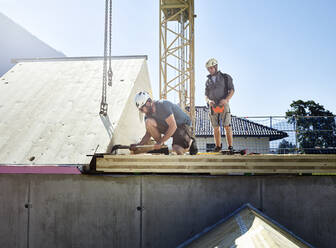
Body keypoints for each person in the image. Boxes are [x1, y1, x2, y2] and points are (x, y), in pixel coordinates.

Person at [132, 91, 198, 155]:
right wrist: (139, 145)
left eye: (142, 109)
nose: (142, 112)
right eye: (140, 110)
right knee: (148, 122)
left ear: (148, 103)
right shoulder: (147, 115)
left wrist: (161, 141)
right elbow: (148, 133)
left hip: (182, 126)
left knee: (177, 150)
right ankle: (163, 147)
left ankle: (190, 142)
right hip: (170, 127)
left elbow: (173, 126)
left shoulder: (162, 105)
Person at [205, 58, 235, 152]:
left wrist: (226, 100)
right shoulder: (207, 81)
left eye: (211, 68)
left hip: (223, 104)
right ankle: (218, 147)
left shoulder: (225, 77)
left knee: (227, 126)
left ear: (216, 67)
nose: (210, 70)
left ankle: (230, 147)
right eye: (208, 69)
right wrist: (208, 101)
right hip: (213, 106)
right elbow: (206, 95)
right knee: (216, 127)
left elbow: (232, 90)